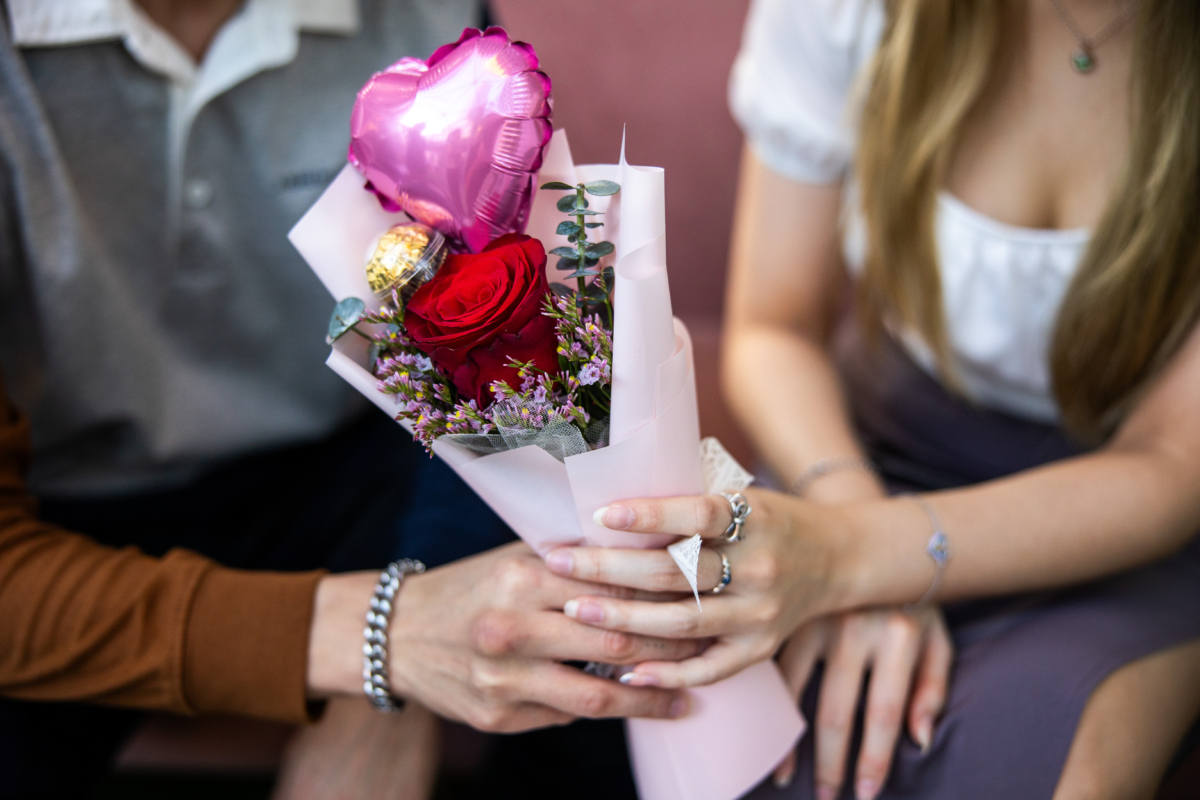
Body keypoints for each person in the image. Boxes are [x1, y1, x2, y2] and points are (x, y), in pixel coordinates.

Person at [0, 1, 690, 797]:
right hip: (54, 511)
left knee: (611, 653)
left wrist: (411, 591)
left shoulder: (432, 24)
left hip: (361, 471)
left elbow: (502, 364)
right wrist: (382, 642)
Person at [540, 0, 1200, 798]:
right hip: (854, 447)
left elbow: (1173, 460)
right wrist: (846, 519)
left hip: (1127, 517)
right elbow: (774, 328)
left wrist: (857, 559)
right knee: (727, 725)